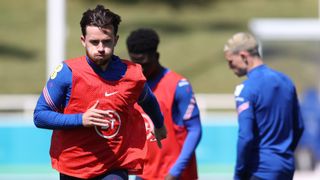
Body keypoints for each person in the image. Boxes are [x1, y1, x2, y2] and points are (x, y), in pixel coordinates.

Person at [33, 5, 167, 180]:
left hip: (114, 164)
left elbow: (147, 99)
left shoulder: (133, 74)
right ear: (83, 40)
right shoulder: (68, 72)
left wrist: (159, 124)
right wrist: (80, 119)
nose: (101, 48)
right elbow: (40, 116)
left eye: (106, 41)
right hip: (74, 167)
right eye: (94, 42)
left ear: (116, 40)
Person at [223, 32, 304, 180]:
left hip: (260, 169)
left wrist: (238, 174)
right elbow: (299, 127)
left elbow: (245, 137)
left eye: (230, 61)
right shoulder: (286, 81)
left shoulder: (246, 89)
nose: (229, 66)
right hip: (286, 167)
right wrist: (284, 154)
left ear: (243, 56)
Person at [126, 28, 202, 180]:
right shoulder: (130, 86)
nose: (140, 69)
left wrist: (175, 171)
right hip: (144, 175)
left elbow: (195, 130)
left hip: (176, 175)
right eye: (135, 63)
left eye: (144, 64)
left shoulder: (179, 86)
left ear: (156, 56)